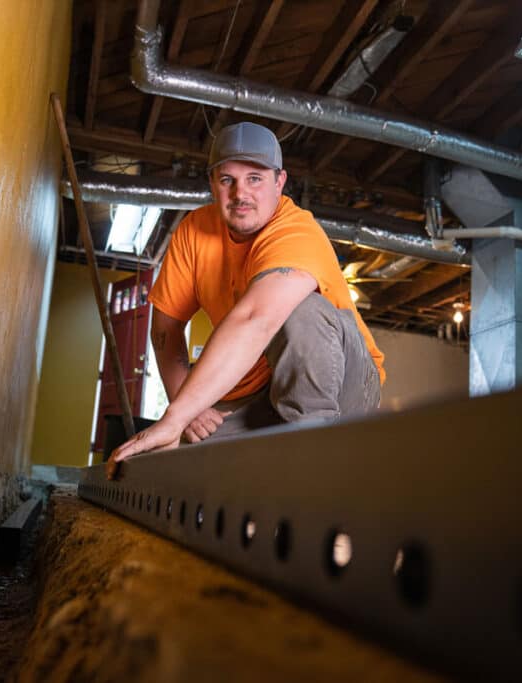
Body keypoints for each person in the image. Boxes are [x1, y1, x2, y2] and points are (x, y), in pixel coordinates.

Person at [107, 121, 384, 478]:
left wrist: (175, 417)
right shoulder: (194, 232)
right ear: (212, 183)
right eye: (227, 180)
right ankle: (276, 465)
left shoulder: (296, 230)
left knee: (301, 309)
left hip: (347, 384)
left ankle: (313, 462)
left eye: (255, 178)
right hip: (257, 400)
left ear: (279, 182)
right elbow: (166, 328)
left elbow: (258, 317)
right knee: (177, 476)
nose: (241, 193)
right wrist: (185, 405)